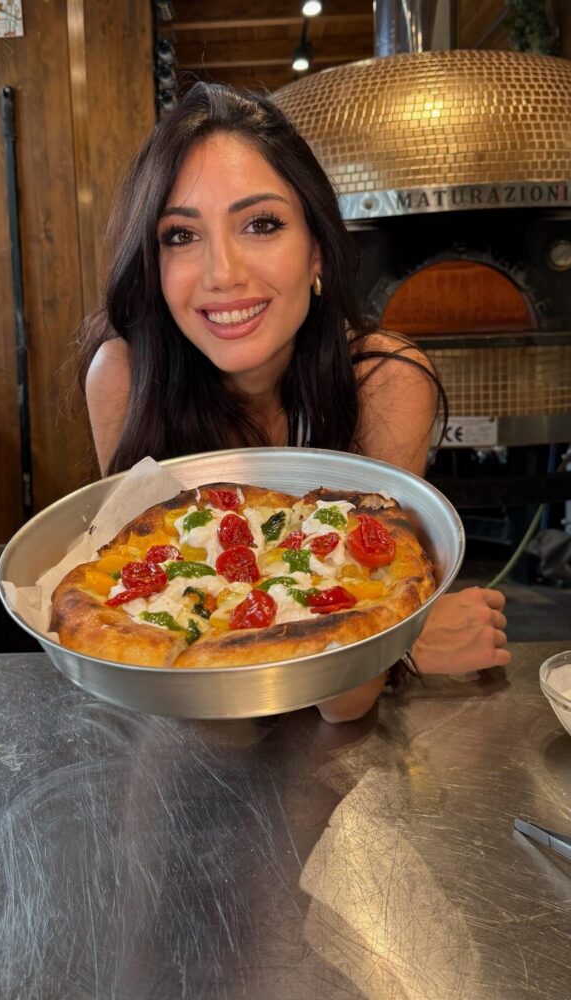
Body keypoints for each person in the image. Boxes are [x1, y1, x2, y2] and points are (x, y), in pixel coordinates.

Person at [78, 82, 510, 722]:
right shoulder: (122, 375)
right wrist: (409, 643)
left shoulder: (385, 382)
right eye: (179, 235)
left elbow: (344, 703)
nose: (221, 272)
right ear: (153, 264)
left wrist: (392, 642)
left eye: (261, 224)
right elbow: (138, 655)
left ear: (316, 249)